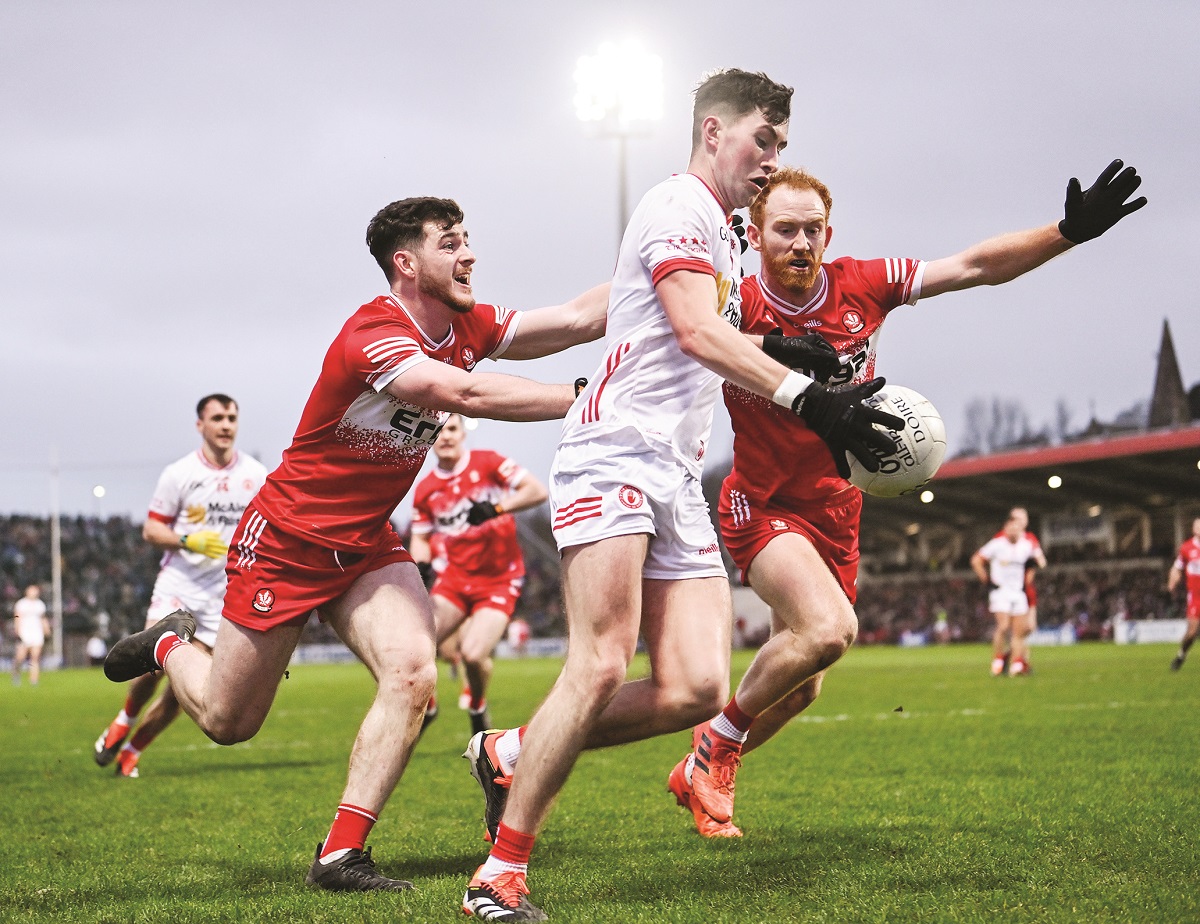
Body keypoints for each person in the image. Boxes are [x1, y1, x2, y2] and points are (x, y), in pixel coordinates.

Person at [461, 69, 902, 921]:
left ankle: (511, 748)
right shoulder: (678, 207)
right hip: (614, 450)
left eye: (781, 145)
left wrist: (786, 348)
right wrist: (812, 398)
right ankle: (500, 875)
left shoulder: (728, 233)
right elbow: (697, 332)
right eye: (760, 141)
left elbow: (681, 319)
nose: (772, 159)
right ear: (712, 133)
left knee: (697, 687)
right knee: (598, 663)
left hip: (673, 469)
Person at [103, 196, 607, 892]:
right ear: (407, 263)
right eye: (451, 244)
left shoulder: (469, 323)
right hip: (286, 541)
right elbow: (461, 393)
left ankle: (340, 854)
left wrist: (671, 264)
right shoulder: (373, 332)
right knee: (228, 721)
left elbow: (580, 318)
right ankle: (166, 644)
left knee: (414, 674)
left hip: (365, 545)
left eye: (468, 242)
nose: (470, 256)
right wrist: (586, 396)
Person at [664, 160, 1145, 837]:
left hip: (837, 506)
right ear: (756, 233)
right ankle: (715, 750)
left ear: (829, 235)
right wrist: (776, 348)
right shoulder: (734, 303)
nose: (800, 243)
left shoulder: (866, 283)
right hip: (763, 502)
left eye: (812, 230)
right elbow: (682, 339)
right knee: (829, 629)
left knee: (804, 682)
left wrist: (1065, 232)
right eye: (784, 230)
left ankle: (701, 769)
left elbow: (974, 266)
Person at [92, 395, 266, 777]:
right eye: (217, 418)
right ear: (200, 425)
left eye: (232, 418)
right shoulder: (179, 473)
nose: (226, 425)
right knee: (152, 666)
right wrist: (188, 541)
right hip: (181, 585)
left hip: (224, 596)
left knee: (186, 689)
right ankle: (124, 718)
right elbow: (152, 528)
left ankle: (131, 752)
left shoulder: (256, 475)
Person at [409, 413, 549, 736]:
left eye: (452, 429)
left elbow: (536, 490)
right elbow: (421, 536)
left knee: (472, 655)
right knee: (414, 647)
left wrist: (498, 508)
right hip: (455, 580)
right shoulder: (426, 489)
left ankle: (477, 707)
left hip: (499, 579)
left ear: (463, 433)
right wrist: (422, 565)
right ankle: (428, 706)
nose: (445, 437)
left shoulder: (488, 464)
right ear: (430, 438)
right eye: (439, 431)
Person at [973, 511, 1048, 676]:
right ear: (1005, 528)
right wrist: (986, 580)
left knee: (1019, 631)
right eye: (1011, 527)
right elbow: (976, 560)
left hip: (1018, 592)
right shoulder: (997, 544)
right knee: (1004, 625)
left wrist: (1028, 577)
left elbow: (1036, 564)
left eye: (1017, 528)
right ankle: (998, 659)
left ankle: (1016, 665)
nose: (1014, 531)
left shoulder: (1026, 544)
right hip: (1000, 592)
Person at [1169, 517, 1200, 671]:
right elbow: (1177, 567)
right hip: (1196, 597)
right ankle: (1181, 655)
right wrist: (1173, 579)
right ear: (1194, 530)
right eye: (1197, 526)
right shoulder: (1187, 548)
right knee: (1192, 632)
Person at [12, 585, 50, 686]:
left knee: (35, 657)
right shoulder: (21, 604)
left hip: (37, 633)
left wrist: (47, 629)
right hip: (24, 632)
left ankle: (34, 680)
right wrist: (17, 628)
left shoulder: (40, 604)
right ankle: (16, 674)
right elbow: (16, 615)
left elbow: (43, 618)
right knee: (21, 656)